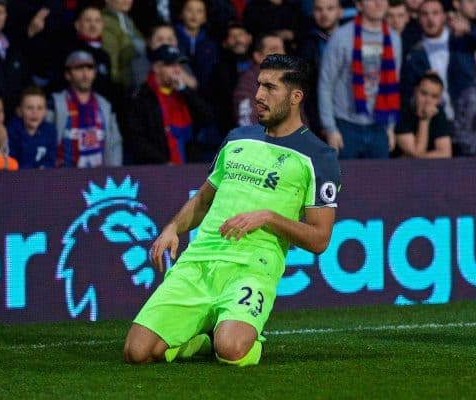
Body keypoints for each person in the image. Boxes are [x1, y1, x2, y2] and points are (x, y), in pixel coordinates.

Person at [123, 54, 340, 367]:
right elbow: (204, 199)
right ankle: (201, 339)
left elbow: (319, 239)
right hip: (200, 259)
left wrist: (268, 217)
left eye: (270, 88)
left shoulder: (318, 156)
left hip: (253, 265)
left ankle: (227, 338)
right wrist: (173, 228)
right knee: (137, 353)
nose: (258, 95)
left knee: (232, 350)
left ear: (296, 97)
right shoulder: (237, 138)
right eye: (258, 86)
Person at [318, 0, 402, 159]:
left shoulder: (394, 38)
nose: (378, 3)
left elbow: (393, 85)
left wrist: (390, 127)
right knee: (346, 182)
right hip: (346, 127)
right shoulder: (341, 37)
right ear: (359, 5)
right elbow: (326, 84)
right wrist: (330, 129)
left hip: (380, 125)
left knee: (380, 182)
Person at [401, 0, 476, 120]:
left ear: (444, 16)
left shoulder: (461, 40)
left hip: (469, 115)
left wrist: (470, 29)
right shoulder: (414, 52)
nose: (430, 19)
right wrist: (422, 84)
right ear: (418, 18)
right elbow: (408, 90)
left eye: (435, 13)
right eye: (425, 14)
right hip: (435, 120)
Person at [124, 44, 213, 164]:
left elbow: (207, 117)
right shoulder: (141, 97)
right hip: (156, 171)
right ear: (156, 67)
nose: (177, 70)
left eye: (179, 65)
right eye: (171, 65)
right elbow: (137, 140)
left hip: (189, 168)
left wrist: (184, 90)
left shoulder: (183, 92)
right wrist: (163, 163)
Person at [48, 50, 123, 168]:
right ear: (68, 75)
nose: (85, 73)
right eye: (78, 68)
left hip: (98, 180)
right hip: (64, 180)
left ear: (95, 73)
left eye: (89, 68)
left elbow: (115, 144)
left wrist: (113, 174)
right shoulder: (55, 103)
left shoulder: (105, 105)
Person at [299, 0, 343, 136]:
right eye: (319, 9)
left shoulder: (353, 38)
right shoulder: (306, 44)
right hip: (318, 116)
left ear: (340, 12)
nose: (324, 14)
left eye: (330, 9)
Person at [394, 72, 452, 158]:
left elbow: (445, 154)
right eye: (424, 93)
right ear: (415, 91)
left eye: (434, 96)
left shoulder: (439, 114)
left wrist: (420, 156)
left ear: (439, 99)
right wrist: (424, 119)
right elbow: (417, 153)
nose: (428, 100)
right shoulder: (402, 113)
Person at [232, 33, 285, 127]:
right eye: (274, 50)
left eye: (282, 49)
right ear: (258, 56)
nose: (282, 54)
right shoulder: (247, 83)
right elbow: (247, 125)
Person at [7, 86, 57, 169]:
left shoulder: (50, 131)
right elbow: (11, 160)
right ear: (19, 111)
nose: (35, 112)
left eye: (40, 108)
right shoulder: (11, 131)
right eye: (29, 108)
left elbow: (50, 160)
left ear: (45, 111)